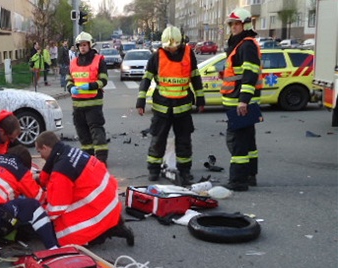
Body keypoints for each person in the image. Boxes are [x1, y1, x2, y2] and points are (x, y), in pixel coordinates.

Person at [35, 131, 134, 247]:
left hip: (99, 208)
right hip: (109, 200)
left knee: (66, 233)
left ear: (45, 148)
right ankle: (113, 225)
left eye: (39, 151)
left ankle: (103, 233)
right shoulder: (68, 151)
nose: (40, 156)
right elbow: (50, 171)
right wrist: (40, 180)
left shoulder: (61, 171)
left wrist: (40, 214)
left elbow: (56, 208)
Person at [135, 26, 205, 186]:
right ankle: (153, 170)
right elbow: (146, 79)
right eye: (168, 47)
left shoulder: (188, 54)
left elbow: (195, 77)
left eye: (174, 46)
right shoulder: (156, 56)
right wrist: (141, 100)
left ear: (180, 43)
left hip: (183, 107)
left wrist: (200, 98)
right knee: (158, 139)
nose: (171, 49)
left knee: (184, 141)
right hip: (162, 107)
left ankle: (184, 171)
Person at [221, 8, 263, 191]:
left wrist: (244, 101)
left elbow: (250, 74)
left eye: (236, 24)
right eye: (231, 24)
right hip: (239, 100)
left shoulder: (246, 45)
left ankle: (238, 181)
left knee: (237, 142)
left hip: (240, 102)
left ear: (245, 24)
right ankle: (250, 175)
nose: (233, 27)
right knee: (248, 141)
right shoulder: (240, 44)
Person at [66, 31, 110, 164]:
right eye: (80, 45)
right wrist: (70, 88)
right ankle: (88, 158)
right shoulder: (73, 62)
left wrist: (89, 86)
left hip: (93, 103)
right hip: (78, 104)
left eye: (85, 45)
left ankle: (101, 159)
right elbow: (69, 79)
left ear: (90, 45)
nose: (82, 47)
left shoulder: (99, 60)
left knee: (96, 131)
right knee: (82, 133)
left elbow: (104, 81)